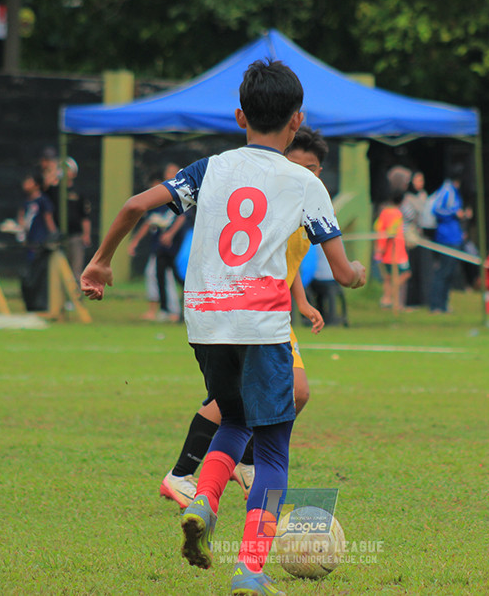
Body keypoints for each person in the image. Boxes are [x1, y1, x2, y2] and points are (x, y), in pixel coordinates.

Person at [80, 60, 366, 595]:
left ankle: (205, 502)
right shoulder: (305, 181)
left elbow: (135, 204)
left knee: (233, 420)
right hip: (261, 323)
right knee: (273, 448)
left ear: (240, 116)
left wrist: (100, 262)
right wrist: (358, 277)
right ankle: (250, 571)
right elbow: (344, 271)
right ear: (296, 119)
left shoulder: (209, 167)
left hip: (206, 324)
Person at [159, 125, 330, 511]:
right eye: (300, 163)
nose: (308, 171)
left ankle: (247, 462)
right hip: (252, 311)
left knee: (296, 392)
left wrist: (300, 301)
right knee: (234, 402)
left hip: (274, 312)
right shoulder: (279, 194)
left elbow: (290, 259)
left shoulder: (306, 194)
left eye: (315, 166)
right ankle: (181, 474)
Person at [127, 167, 188, 321]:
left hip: (176, 247)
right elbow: (148, 222)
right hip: (160, 248)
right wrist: (134, 242)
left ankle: (173, 311)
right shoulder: (157, 203)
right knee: (156, 275)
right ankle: (165, 310)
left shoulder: (177, 197)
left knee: (173, 277)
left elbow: (182, 217)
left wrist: (170, 234)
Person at [428, 170, 474, 313]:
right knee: (442, 273)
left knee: (450, 273)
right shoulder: (447, 190)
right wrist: (455, 213)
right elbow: (436, 210)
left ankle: (444, 304)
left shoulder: (454, 191)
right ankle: (435, 305)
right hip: (446, 238)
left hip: (455, 237)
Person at [17, 171, 57, 312]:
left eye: (28, 181)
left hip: (40, 243)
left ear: (36, 184)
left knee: (40, 273)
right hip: (30, 242)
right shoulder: (26, 202)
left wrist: (53, 236)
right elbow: (22, 219)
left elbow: (48, 220)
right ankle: (31, 304)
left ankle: (42, 304)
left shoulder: (43, 201)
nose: (25, 184)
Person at [374, 188, 411, 312]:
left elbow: (378, 227)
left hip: (386, 251)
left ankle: (388, 299)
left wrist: (379, 248)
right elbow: (391, 231)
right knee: (405, 274)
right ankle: (389, 296)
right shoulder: (396, 214)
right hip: (396, 251)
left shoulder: (384, 212)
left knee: (388, 277)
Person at [401, 171, 430, 308]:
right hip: (407, 238)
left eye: (422, 180)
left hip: (418, 238)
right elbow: (410, 215)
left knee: (420, 269)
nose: (420, 183)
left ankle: (420, 299)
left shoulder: (423, 196)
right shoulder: (406, 198)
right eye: (417, 180)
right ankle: (408, 301)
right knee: (409, 270)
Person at [61, 157, 92, 278]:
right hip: (59, 236)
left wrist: (86, 235)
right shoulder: (56, 190)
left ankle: (76, 296)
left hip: (75, 235)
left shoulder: (79, 192)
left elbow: (85, 216)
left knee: (76, 269)